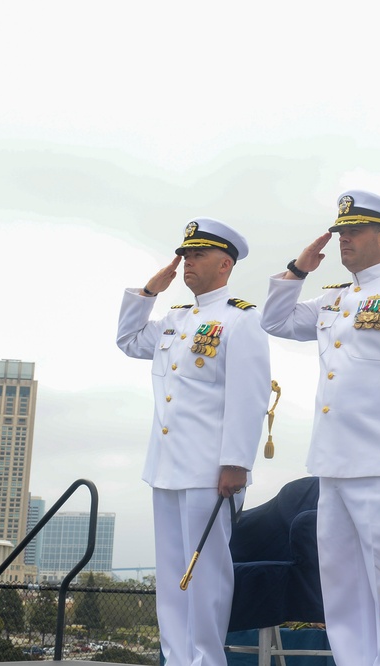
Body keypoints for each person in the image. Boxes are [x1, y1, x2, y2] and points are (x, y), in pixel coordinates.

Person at [261, 191, 380, 666]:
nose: (344, 239)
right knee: (341, 584)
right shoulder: (333, 300)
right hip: (333, 461)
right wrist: (297, 270)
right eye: (341, 232)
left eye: (354, 231)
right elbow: (275, 321)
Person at [117, 218, 271, 666]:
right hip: (165, 467)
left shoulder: (241, 320)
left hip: (210, 471)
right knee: (171, 577)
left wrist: (236, 463)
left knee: (205, 574)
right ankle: (178, 658)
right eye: (184, 254)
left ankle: (206, 660)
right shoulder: (174, 319)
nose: (186, 262)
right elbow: (127, 340)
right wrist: (148, 292)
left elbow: (249, 396)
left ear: (225, 264)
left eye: (197, 254)